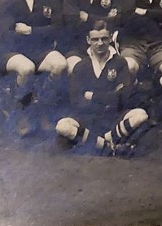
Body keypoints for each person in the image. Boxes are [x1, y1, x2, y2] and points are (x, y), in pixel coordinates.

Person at [55, 23, 148, 156]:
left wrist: (93, 96)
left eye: (104, 39)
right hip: (88, 118)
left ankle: (103, 140)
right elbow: (76, 101)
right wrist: (110, 95)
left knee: (141, 115)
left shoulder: (120, 62)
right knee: (62, 126)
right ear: (88, 40)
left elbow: (123, 97)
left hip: (113, 117)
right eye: (95, 39)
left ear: (110, 38)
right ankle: (105, 145)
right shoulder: (81, 66)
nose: (100, 43)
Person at [0, 0, 67, 117]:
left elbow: (58, 29)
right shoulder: (8, 0)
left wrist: (31, 31)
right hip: (12, 52)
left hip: (41, 51)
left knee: (60, 64)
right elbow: (5, 34)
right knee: (26, 68)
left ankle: (42, 102)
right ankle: (19, 108)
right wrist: (44, 32)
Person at [62, 0, 125, 75]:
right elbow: (71, 21)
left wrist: (87, 18)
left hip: (104, 45)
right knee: (74, 69)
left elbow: (116, 21)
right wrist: (104, 19)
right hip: (77, 44)